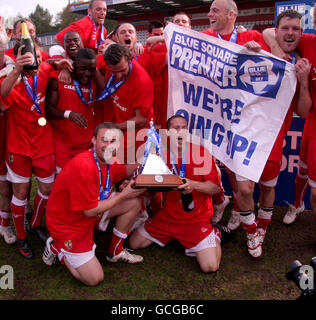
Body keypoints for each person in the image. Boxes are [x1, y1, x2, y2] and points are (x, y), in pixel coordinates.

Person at [43, 122, 146, 286]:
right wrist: (122, 195)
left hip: (90, 209)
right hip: (68, 224)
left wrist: (143, 162)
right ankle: (58, 249)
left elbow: (123, 171)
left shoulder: (108, 160)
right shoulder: (84, 166)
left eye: (113, 141)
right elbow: (89, 211)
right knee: (94, 278)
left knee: (133, 203)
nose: (108, 145)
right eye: (104, 140)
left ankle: (115, 252)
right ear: (93, 140)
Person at [129, 115, 222, 273]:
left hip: (196, 220)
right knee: (133, 244)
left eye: (184, 128)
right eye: (175, 128)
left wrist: (193, 185)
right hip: (168, 218)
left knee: (210, 266)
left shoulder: (201, 152)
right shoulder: (159, 155)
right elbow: (150, 184)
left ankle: (214, 233)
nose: (180, 131)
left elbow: (215, 189)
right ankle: (170, 233)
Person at [0, 42, 56, 258]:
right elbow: (2, 95)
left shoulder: (45, 69)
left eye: (38, 58)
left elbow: (56, 64)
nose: (36, 62)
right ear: (19, 59)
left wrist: (60, 65)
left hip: (44, 143)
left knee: (47, 188)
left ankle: (35, 224)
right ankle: (22, 236)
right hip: (19, 146)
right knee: (20, 192)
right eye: (30, 58)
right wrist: (17, 69)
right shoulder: (12, 79)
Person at [262, 5, 316, 226]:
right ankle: (296, 203)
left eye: (296, 28)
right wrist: (275, 45)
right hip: (312, 121)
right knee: (303, 170)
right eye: (288, 28)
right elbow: (270, 32)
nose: (291, 32)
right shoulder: (308, 41)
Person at [96, 43, 154, 163]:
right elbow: (85, 59)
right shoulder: (108, 58)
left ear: (130, 59)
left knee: (131, 174)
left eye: (122, 70)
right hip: (117, 134)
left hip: (135, 137)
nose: (118, 76)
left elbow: (141, 119)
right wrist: (64, 67)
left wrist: (113, 127)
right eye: (113, 72)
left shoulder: (142, 81)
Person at [46, 48, 98, 173]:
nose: (87, 73)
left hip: (86, 144)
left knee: (83, 179)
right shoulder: (58, 79)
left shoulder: (95, 82)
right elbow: (48, 110)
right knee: (64, 181)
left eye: (91, 70)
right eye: (82, 69)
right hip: (63, 144)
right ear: (74, 65)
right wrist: (68, 114)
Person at [0, 16, 16, 245]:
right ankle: (4, 225)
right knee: (4, 187)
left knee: (10, 186)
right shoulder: (11, 69)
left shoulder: (11, 63)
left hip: (12, 136)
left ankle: (6, 224)